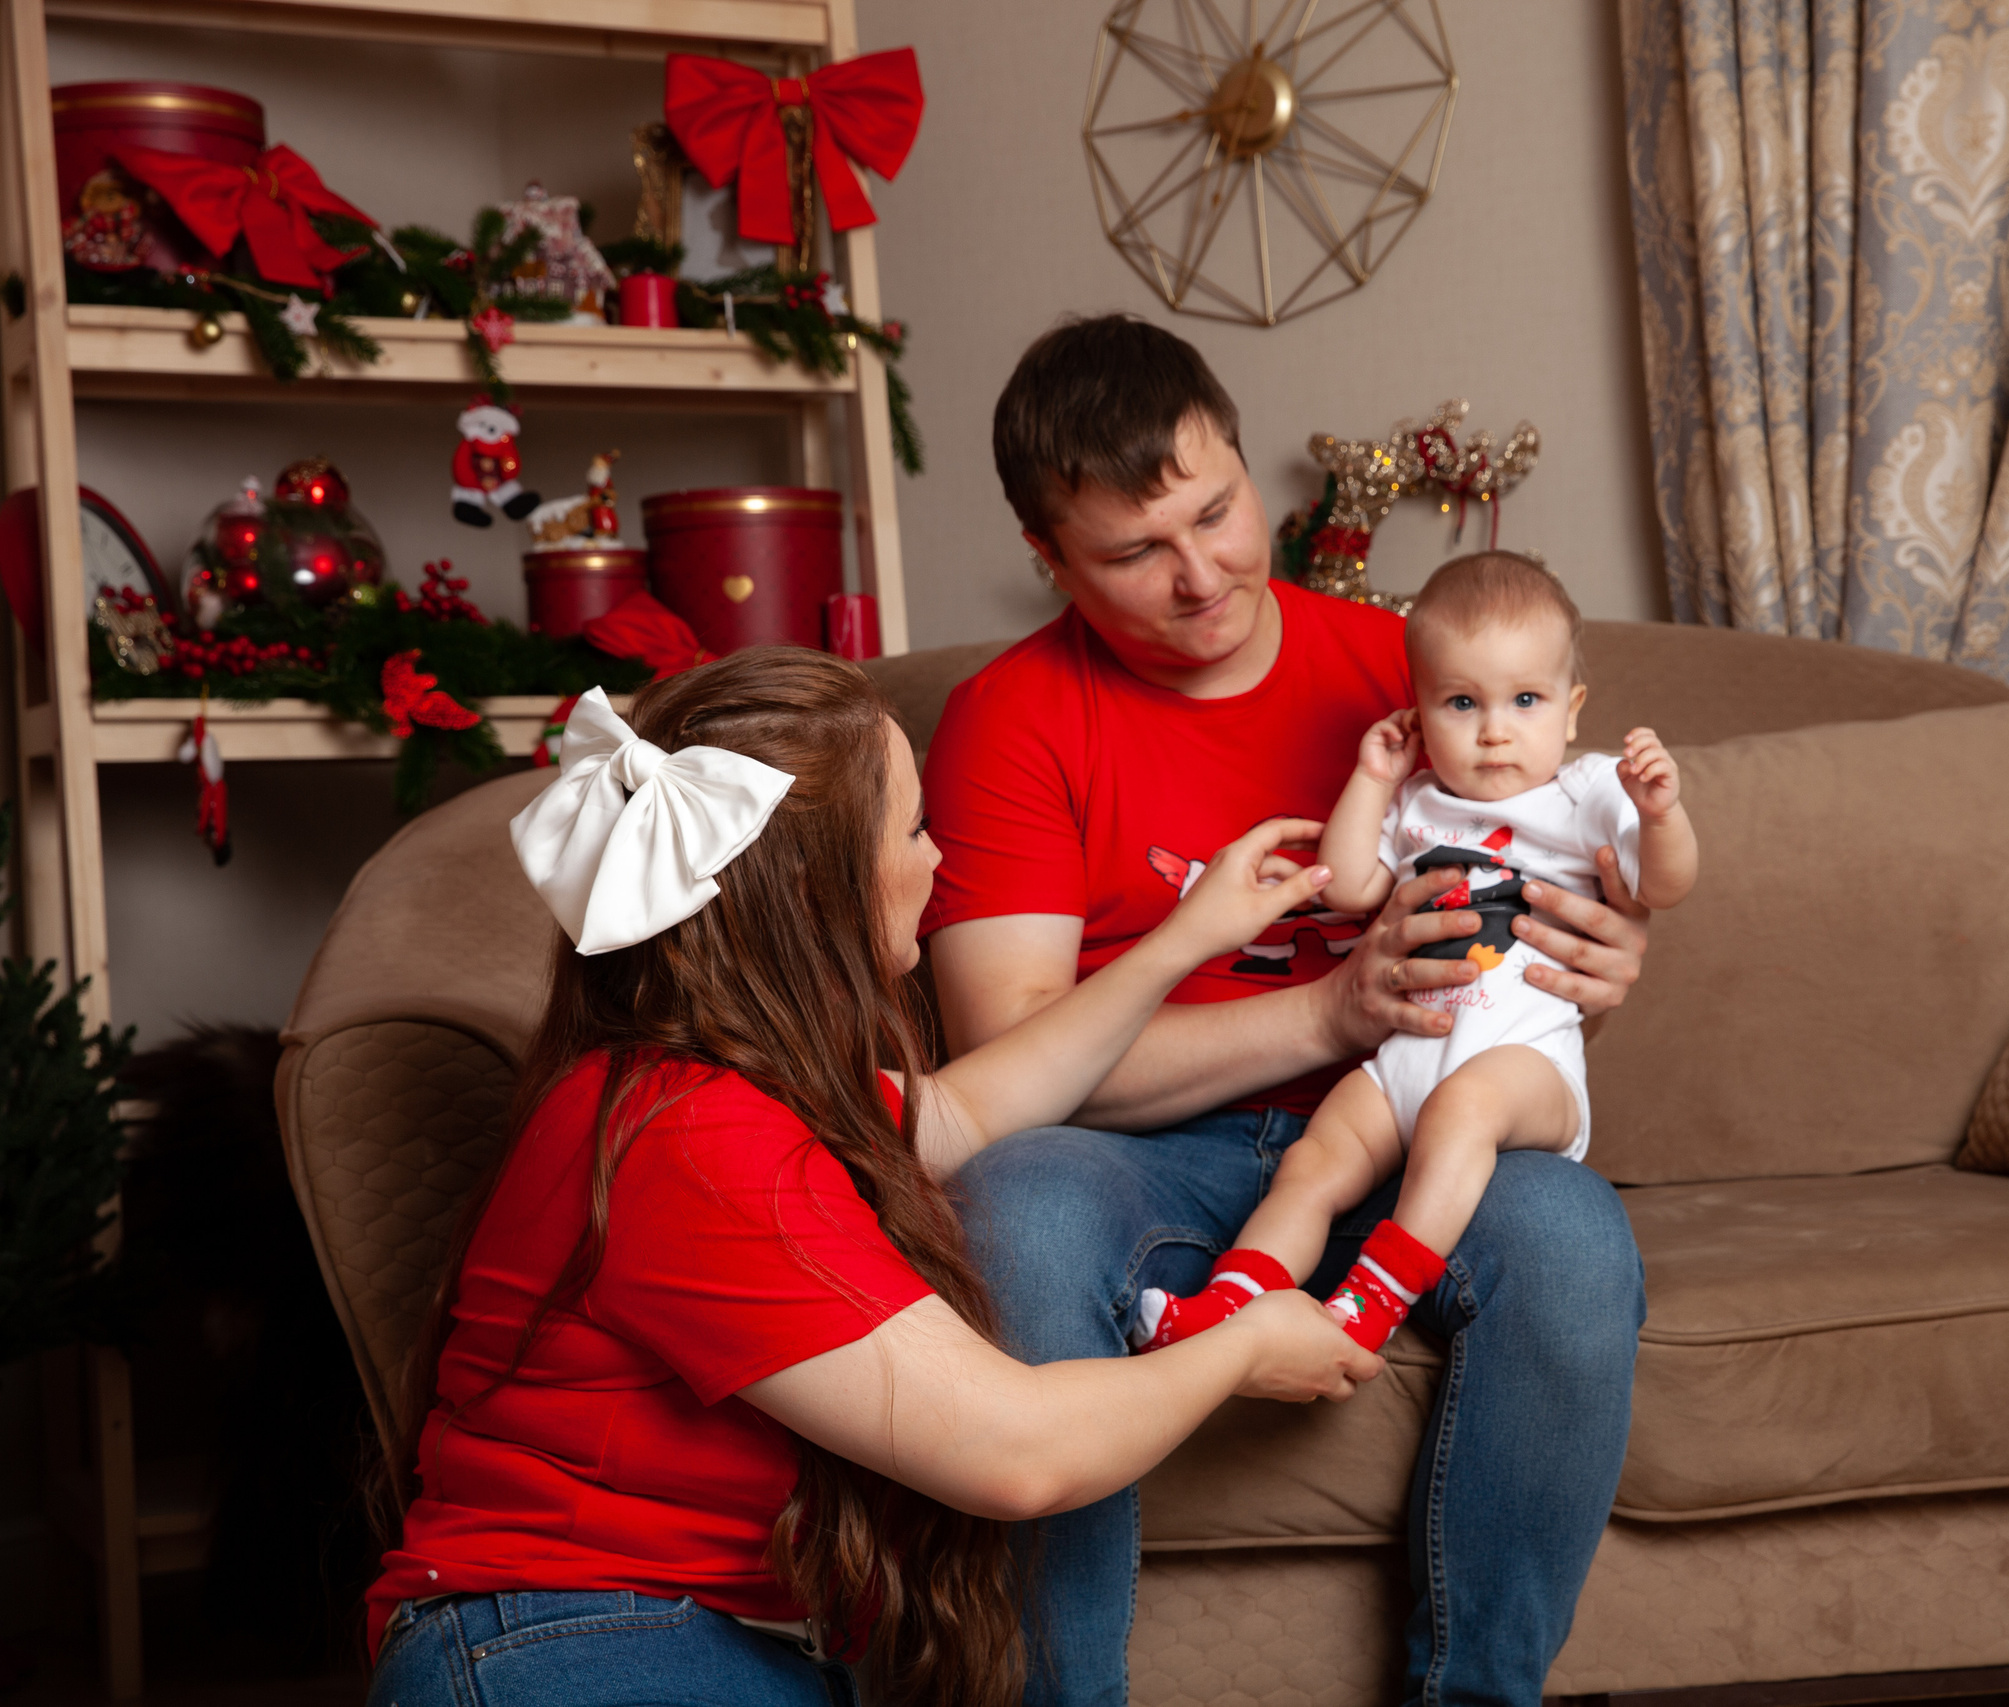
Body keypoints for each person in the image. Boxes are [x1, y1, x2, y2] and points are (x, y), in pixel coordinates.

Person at [364, 653, 1380, 1707]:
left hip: (658, 1640)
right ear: (812, 887)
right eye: (911, 829)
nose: (939, 858)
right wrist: (1243, 1343)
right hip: (574, 1646)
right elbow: (1016, 1453)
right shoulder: (690, 1139)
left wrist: (1188, 939)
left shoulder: (713, 1087)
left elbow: (977, 1106)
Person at [925, 315, 1652, 1706]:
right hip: (1143, 1148)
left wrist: (1595, 969)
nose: (1201, 574)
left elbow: (1545, 905)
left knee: (1568, 1232)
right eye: (1138, 552)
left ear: (1248, 467)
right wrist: (1330, 1011)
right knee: (1013, 1201)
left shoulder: (1407, 660)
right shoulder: (1006, 721)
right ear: (1050, 561)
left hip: (1415, 1112)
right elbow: (1009, 1069)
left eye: (1216, 511)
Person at [1136, 553, 1696, 1354]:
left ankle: (1376, 1293)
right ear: (1420, 713)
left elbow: (1663, 885)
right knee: (1314, 1161)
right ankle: (1232, 1300)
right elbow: (1351, 885)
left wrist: (1662, 814)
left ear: (1572, 711)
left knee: (1461, 1109)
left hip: (1522, 1063)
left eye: (1526, 700)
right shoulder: (1418, 799)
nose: (1495, 729)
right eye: (1462, 702)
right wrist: (1371, 779)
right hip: (1407, 1056)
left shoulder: (1589, 790)